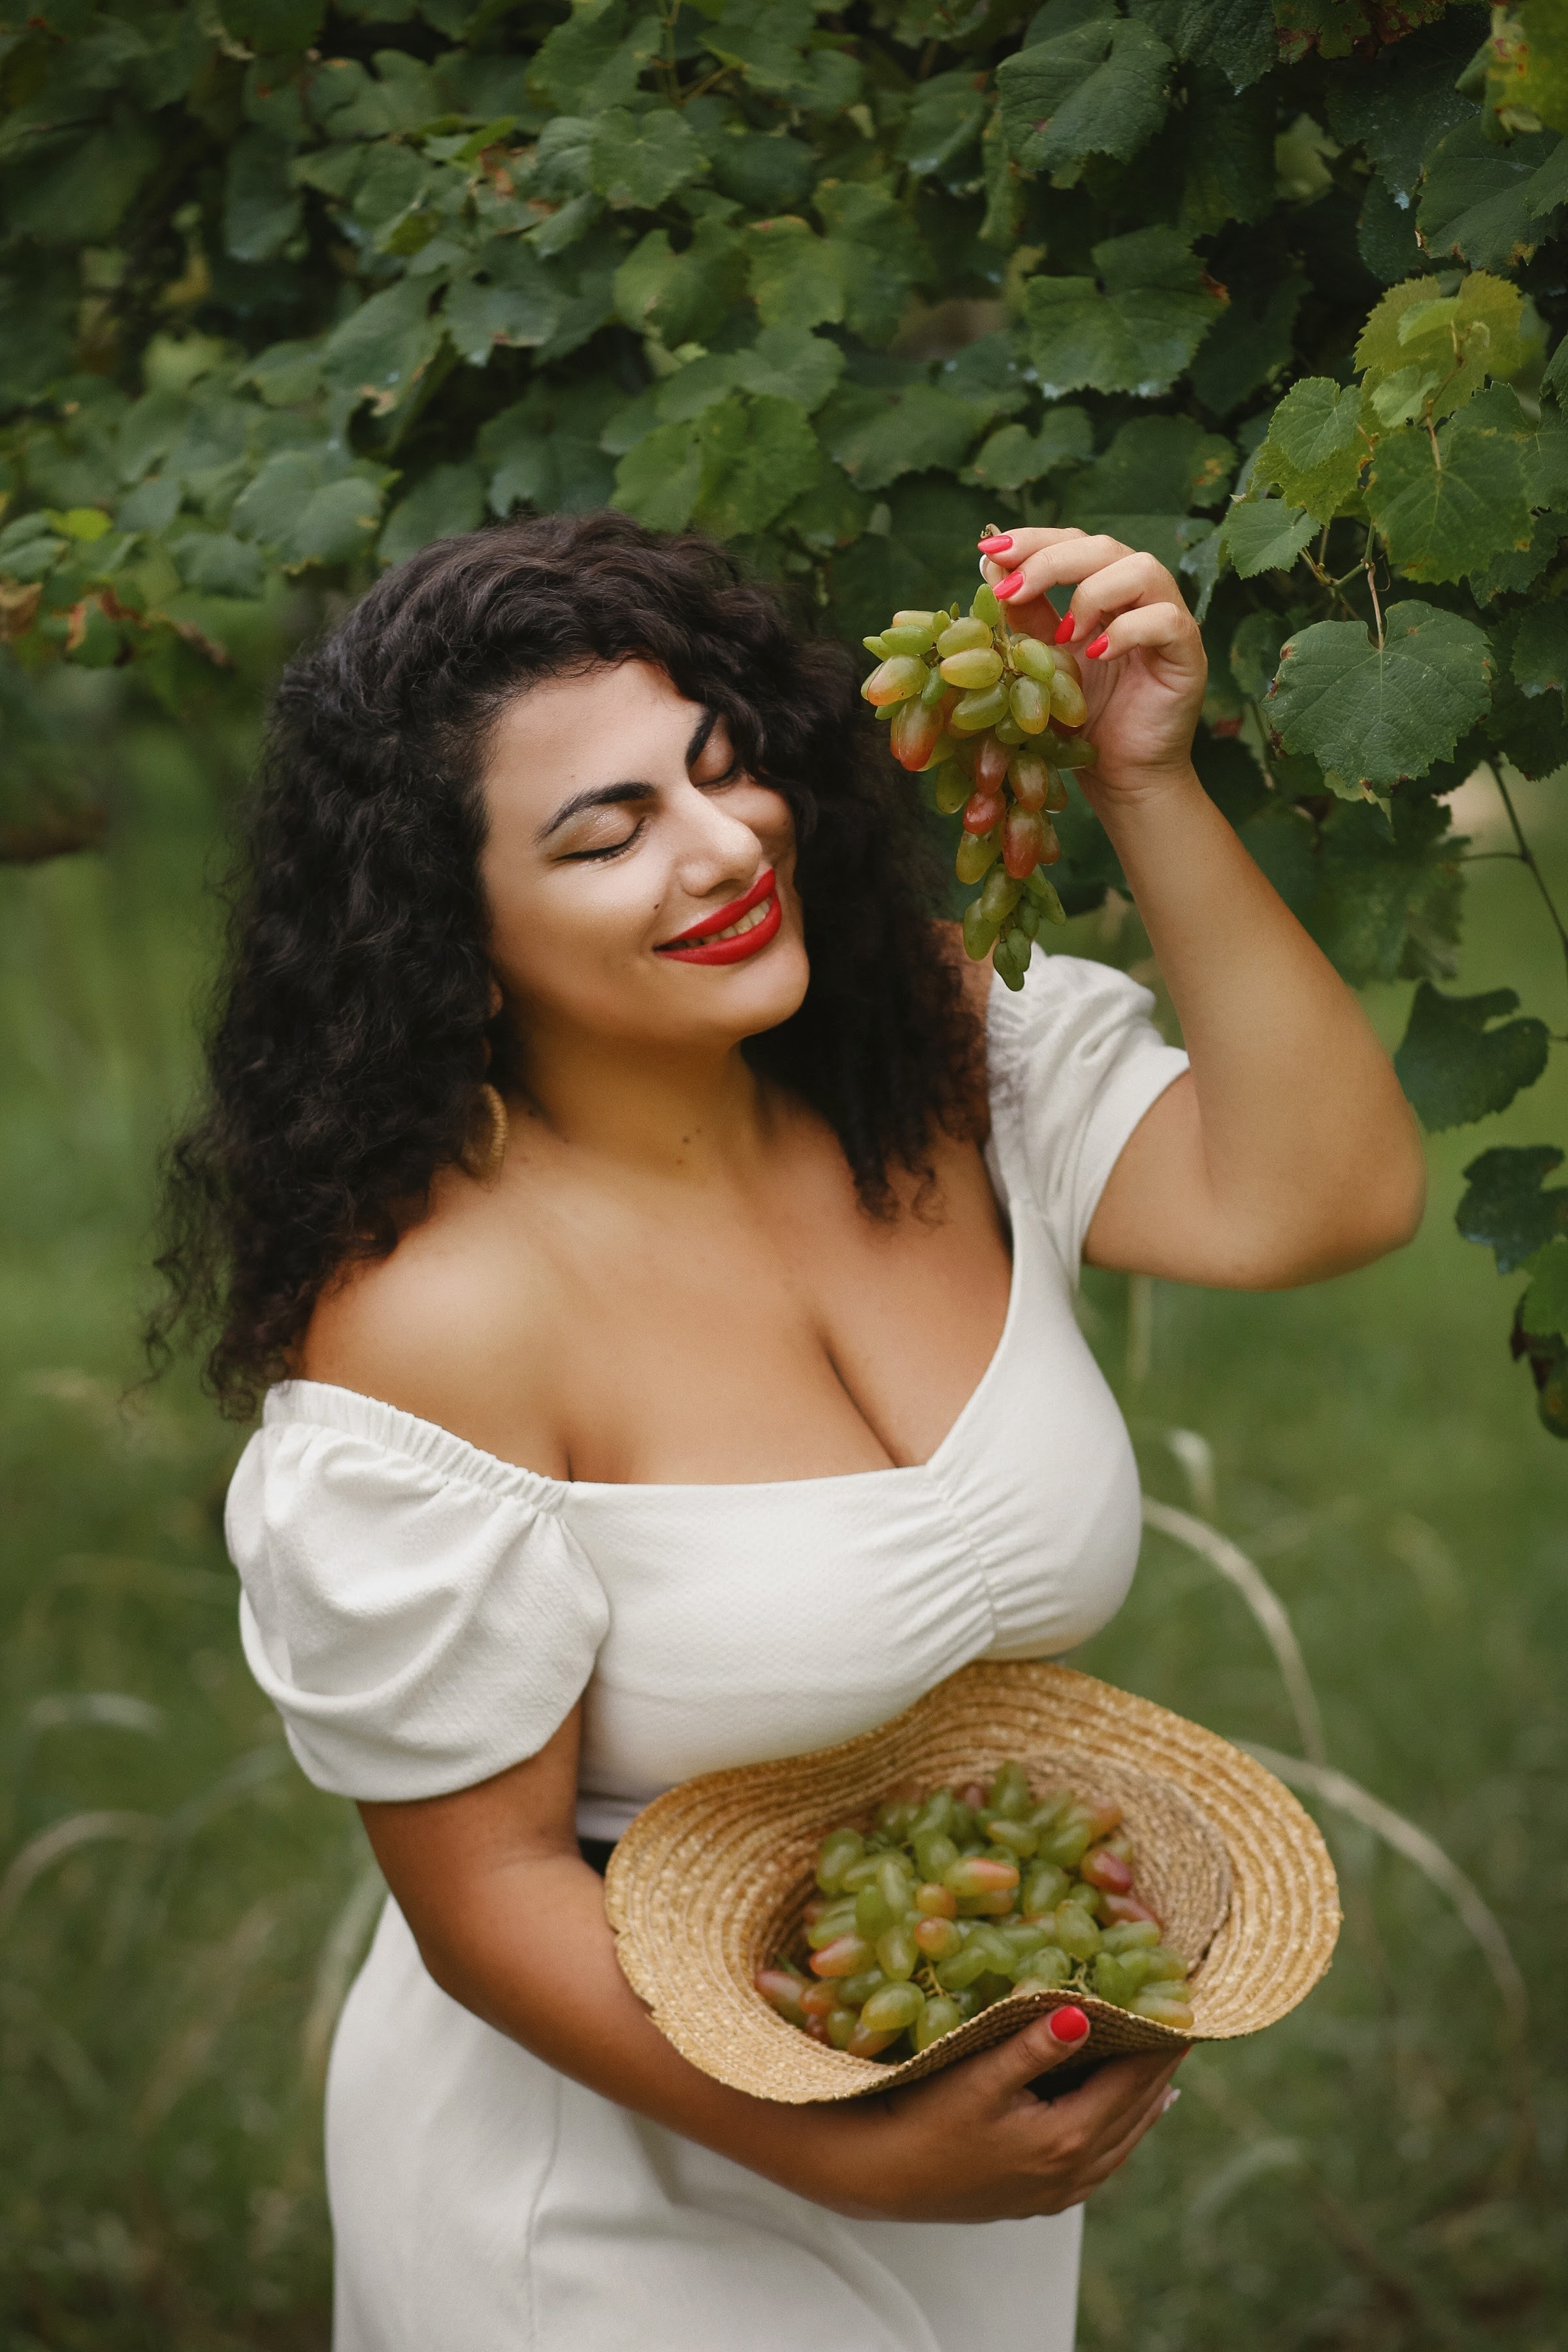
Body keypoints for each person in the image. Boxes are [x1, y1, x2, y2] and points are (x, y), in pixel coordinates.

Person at [152, 509, 1425, 2351]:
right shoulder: (441, 1315)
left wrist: (1144, 779)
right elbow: (483, 1886)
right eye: (607, 834)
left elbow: (1325, 1193)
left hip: (952, 2090)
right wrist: (841, 2157)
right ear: (458, 939)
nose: (725, 844)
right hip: (608, 2181)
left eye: (724, 768)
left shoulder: (921, 1057)